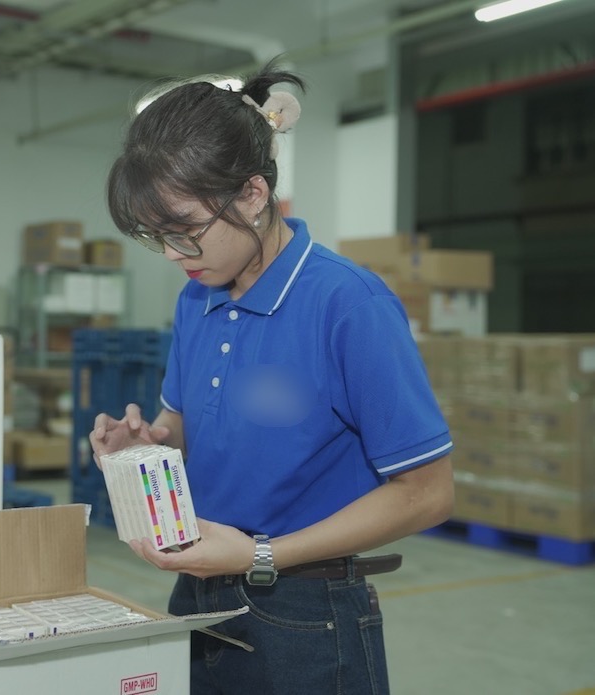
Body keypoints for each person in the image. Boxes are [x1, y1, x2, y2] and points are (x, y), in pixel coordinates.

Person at [89, 60, 455, 695]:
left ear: (253, 196)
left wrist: (260, 555)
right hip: (199, 589)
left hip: (309, 617)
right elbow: (182, 424)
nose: (175, 256)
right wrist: (149, 445)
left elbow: (426, 492)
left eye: (186, 232)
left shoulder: (347, 305)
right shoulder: (195, 298)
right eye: (157, 238)